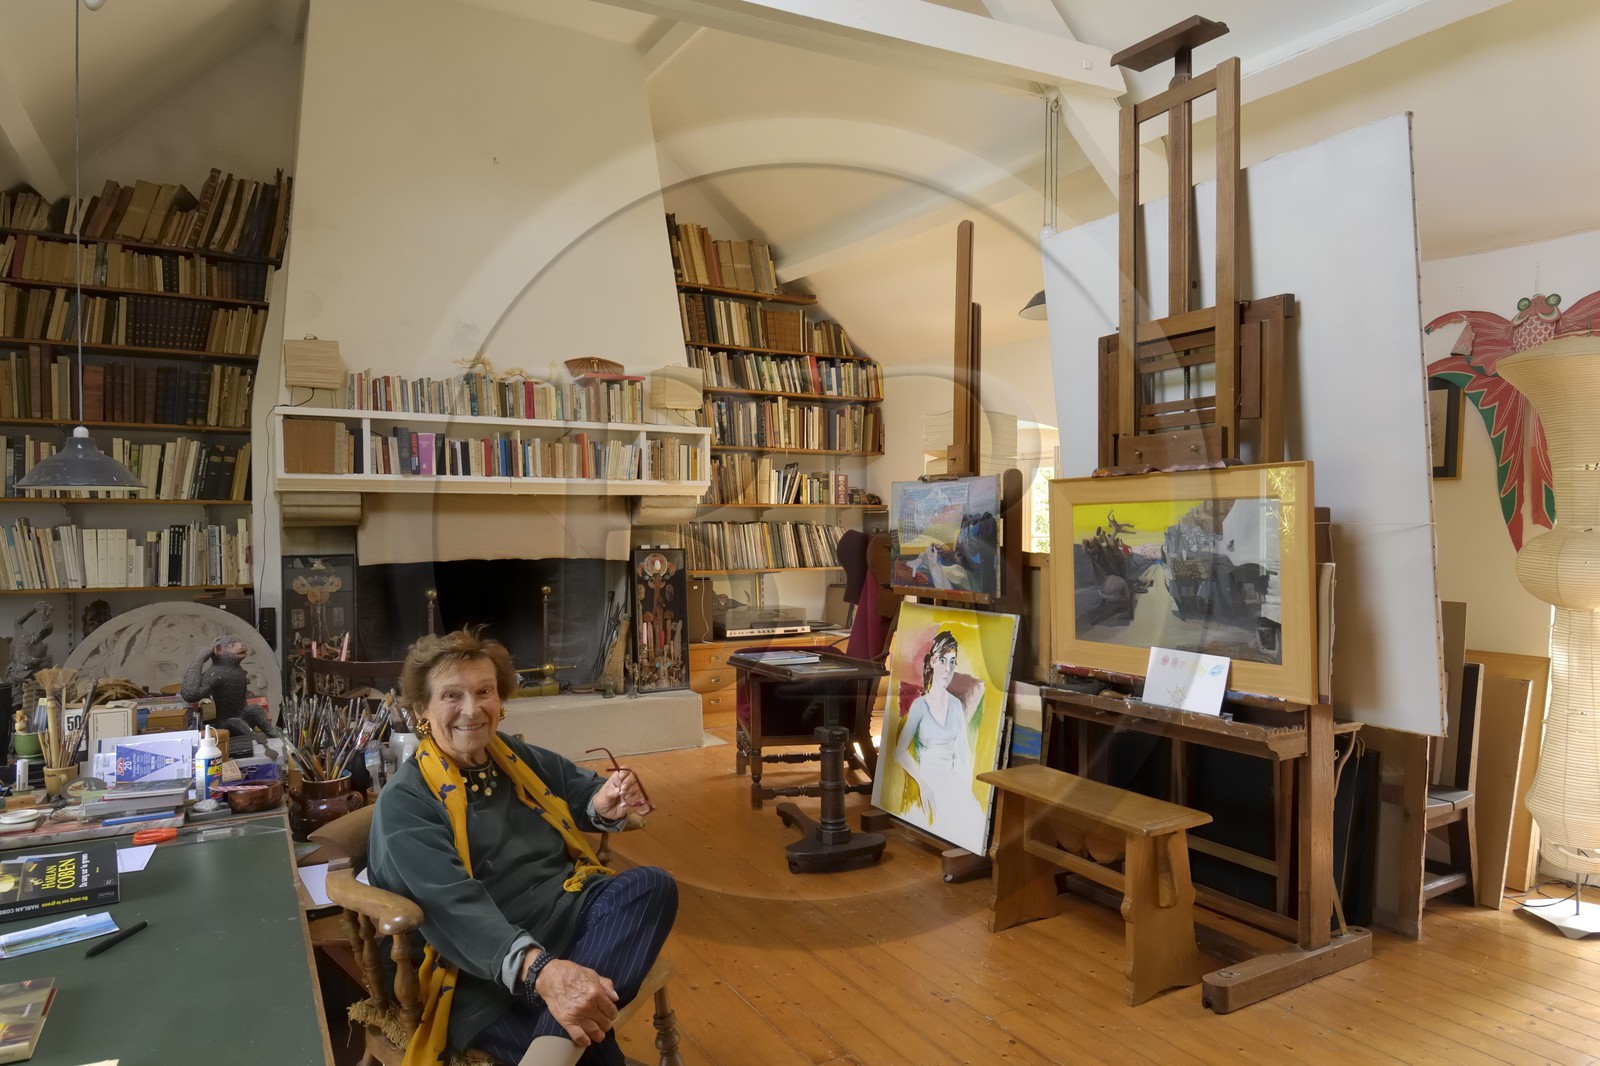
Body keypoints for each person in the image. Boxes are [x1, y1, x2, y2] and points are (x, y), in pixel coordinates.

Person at [366, 629, 676, 1066]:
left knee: (652, 885)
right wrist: (542, 972)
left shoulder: (508, 755)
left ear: (500, 699)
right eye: (452, 695)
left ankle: (562, 1022)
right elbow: (452, 907)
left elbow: (576, 786)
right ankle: (565, 1032)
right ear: (421, 708)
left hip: (564, 917)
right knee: (593, 1050)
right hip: (480, 966)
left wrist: (603, 801)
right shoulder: (407, 800)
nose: (472, 709)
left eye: (484, 691)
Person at [891, 629, 987, 846]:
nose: (948, 669)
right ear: (933, 661)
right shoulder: (920, 706)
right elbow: (899, 752)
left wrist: (963, 790)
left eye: (953, 662)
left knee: (973, 820)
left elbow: (963, 756)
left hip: (953, 782)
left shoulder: (955, 706)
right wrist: (923, 784)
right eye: (943, 661)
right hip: (929, 780)